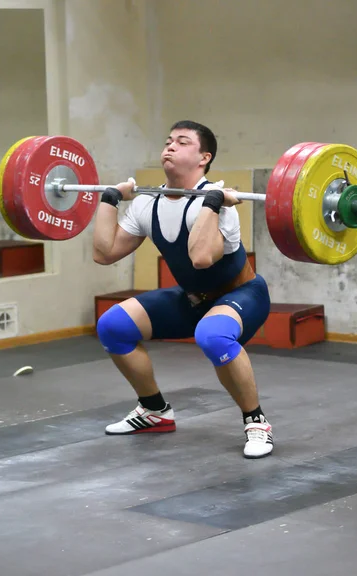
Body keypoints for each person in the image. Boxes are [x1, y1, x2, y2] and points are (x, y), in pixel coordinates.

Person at [93, 120, 273, 459]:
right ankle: (154, 410)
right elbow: (104, 253)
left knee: (212, 335)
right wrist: (110, 198)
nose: (170, 146)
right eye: (168, 141)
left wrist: (213, 202)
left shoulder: (219, 203)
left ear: (204, 157)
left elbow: (202, 258)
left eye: (182, 142)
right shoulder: (148, 203)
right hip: (192, 298)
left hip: (242, 295)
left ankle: (256, 422)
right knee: (113, 326)